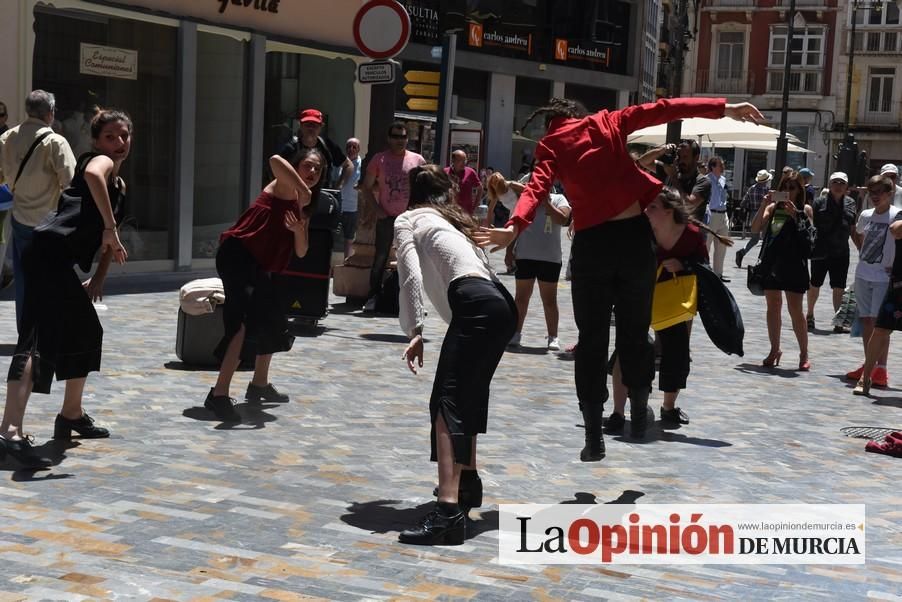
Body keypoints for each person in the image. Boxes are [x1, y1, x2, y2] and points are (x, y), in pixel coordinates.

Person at [475, 96, 764, 462]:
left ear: (551, 124)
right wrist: (724, 108)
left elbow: (536, 189)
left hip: (592, 247)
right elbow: (666, 107)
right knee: (635, 331)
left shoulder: (551, 145)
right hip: (631, 241)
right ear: (579, 114)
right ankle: (640, 405)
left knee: (592, 340)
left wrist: (513, 228)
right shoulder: (606, 121)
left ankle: (593, 434)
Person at [0, 108, 131, 468]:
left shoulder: (118, 186)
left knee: (87, 330)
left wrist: (100, 276)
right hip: (47, 254)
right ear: (95, 141)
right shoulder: (98, 163)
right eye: (110, 137)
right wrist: (109, 228)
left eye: (124, 136)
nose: (119, 144)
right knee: (35, 342)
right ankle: (8, 433)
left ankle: (70, 415)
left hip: (55, 259)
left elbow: (110, 236)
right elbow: (91, 177)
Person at [395, 165, 516, 545]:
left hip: (475, 304)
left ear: (411, 194)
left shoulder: (408, 219)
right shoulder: (452, 222)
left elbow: (410, 274)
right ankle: (467, 485)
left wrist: (415, 330)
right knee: (471, 393)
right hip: (501, 305)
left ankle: (448, 512)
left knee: (446, 400)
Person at [203, 147, 323, 422]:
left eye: (318, 169)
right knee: (242, 324)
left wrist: (298, 230)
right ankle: (218, 395)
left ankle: (258, 384)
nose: (313, 173)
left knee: (269, 319)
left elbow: (302, 251)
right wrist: (302, 188)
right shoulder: (285, 185)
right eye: (308, 166)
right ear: (297, 167)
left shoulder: (303, 205)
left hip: (261, 265)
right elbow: (274, 160)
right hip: (238, 255)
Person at [607, 188, 720, 434]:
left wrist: (684, 264)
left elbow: (704, 268)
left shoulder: (691, 236)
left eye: (653, 207)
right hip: (638, 294)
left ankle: (668, 407)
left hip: (671, 300)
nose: (646, 210)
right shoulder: (640, 231)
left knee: (676, 352)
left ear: (669, 211)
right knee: (626, 349)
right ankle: (617, 412)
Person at [0, 90, 76, 332]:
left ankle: (26, 332)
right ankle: (46, 331)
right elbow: (70, 184)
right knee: (50, 280)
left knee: (24, 281)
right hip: (50, 222)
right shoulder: (56, 142)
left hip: (20, 218)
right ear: (50, 113)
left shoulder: (7, 139)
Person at [750, 171, 816, 371]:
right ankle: (774, 349)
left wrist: (795, 215)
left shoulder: (804, 209)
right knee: (773, 306)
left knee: (795, 310)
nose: (788, 192)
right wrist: (763, 204)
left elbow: (810, 236)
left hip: (794, 264)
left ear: (799, 190)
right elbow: (755, 228)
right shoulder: (772, 207)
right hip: (773, 263)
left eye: (792, 188)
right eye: (784, 187)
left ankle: (804, 353)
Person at [359, 121, 426, 312]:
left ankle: (413, 300)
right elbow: (366, 186)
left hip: (410, 219)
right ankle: (373, 297)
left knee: (412, 260)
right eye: (395, 136)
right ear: (389, 139)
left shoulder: (418, 160)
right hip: (387, 217)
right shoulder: (379, 159)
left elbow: (424, 187)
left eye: (403, 137)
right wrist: (376, 209)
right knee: (380, 258)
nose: (400, 140)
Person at [845, 175, 901, 389]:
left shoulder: (896, 215)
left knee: (881, 326)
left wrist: (894, 265)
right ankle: (870, 364)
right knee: (868, 321)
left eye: (880, 192)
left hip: (884, 277)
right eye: (872, 192)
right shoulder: (866, 215)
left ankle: (882, 369)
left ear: (890, 194)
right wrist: (862, 252)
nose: (875, 196)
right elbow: (858, 234)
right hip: (863, 273)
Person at [508, 188, 571, 350]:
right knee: (521, 298)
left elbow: (563, 219)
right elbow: (516, 224)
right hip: (525, 254)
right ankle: (515, 333)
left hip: (550, 257)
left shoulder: (559, 199)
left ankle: (553, 337)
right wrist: (509, 250)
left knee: (549, 300)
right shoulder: (526, 198)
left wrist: (547, 204)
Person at [806, 172, 857, 332]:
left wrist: (861, 248)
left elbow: (853, 228)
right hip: (821, 251)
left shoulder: (851, 203)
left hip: (841, 251)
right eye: (835, 182)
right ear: (830, 184)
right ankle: (810, 315)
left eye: (842, 183)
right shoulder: (819, 202)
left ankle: (838, 321)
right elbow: (810, 226)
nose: (838, 185)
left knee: (839, 287)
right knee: (815, 284)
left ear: (846, 186)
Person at [279, 108, 352, 189]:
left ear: (321, 127)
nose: (311, 128)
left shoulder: (328, 146)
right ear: (300, 125)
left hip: (322, 195)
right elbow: (277, 169)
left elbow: (348, 166)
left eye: (315, 125)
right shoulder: (291, 147)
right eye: (307, 124)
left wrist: (339, 186)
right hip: (296, 194)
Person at [484, 171, 526, 274]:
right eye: (494, 184)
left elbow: (529, 192)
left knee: (514, 241)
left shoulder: (510, 184)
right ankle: (511, 263)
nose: (496, 185)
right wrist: (489, 225)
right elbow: (490, 210)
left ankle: (512, 262)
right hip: (513, 214)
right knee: (510, 241)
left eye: (498, 182)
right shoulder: (496, 194)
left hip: (524, 212)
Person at [735, 169, 773, 268]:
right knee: (766, 238)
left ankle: (742, 252)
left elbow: (743, 202)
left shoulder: (751, 188)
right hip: (764, 213)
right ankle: (762, 260)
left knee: (754, 239)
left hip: (753, 215)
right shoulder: (767, 190)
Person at [669, 139, 710, 224]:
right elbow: (643, 162)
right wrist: (661, 150)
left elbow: (690, 205)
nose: (681, 161)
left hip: (690, 234)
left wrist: (674, 180)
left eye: (685, 157)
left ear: (696, 157)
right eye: (679, 157)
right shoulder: (674, 173)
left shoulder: (703, 181)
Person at [705, 156, 730, 281]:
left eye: (722, 165)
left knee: (722, 246)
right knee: (707, 245)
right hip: (712, 214)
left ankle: (718, 274)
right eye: (720, 165)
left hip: (723, 215)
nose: (722, 167)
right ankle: (706, 272)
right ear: (712, 167)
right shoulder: (706, 180)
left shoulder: (723, 179)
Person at [339, 137, 362, 258]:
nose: (351, 149)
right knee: (334, 238)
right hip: (338, 207)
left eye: (354, 147)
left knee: (349, 239)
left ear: (359, 149)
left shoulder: (362, 166)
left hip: (352, 208)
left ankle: (346, 264)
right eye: (349, 146)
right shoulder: (340, 163)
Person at [445, 149, 482, 215]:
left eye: (465, 160)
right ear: (453, 161)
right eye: (460, 160)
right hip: (449, 211)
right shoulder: (445, 172)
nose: (464, 163)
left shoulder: (470, 172)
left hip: (466, 213)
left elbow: (480, 188)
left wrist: (475, 205)